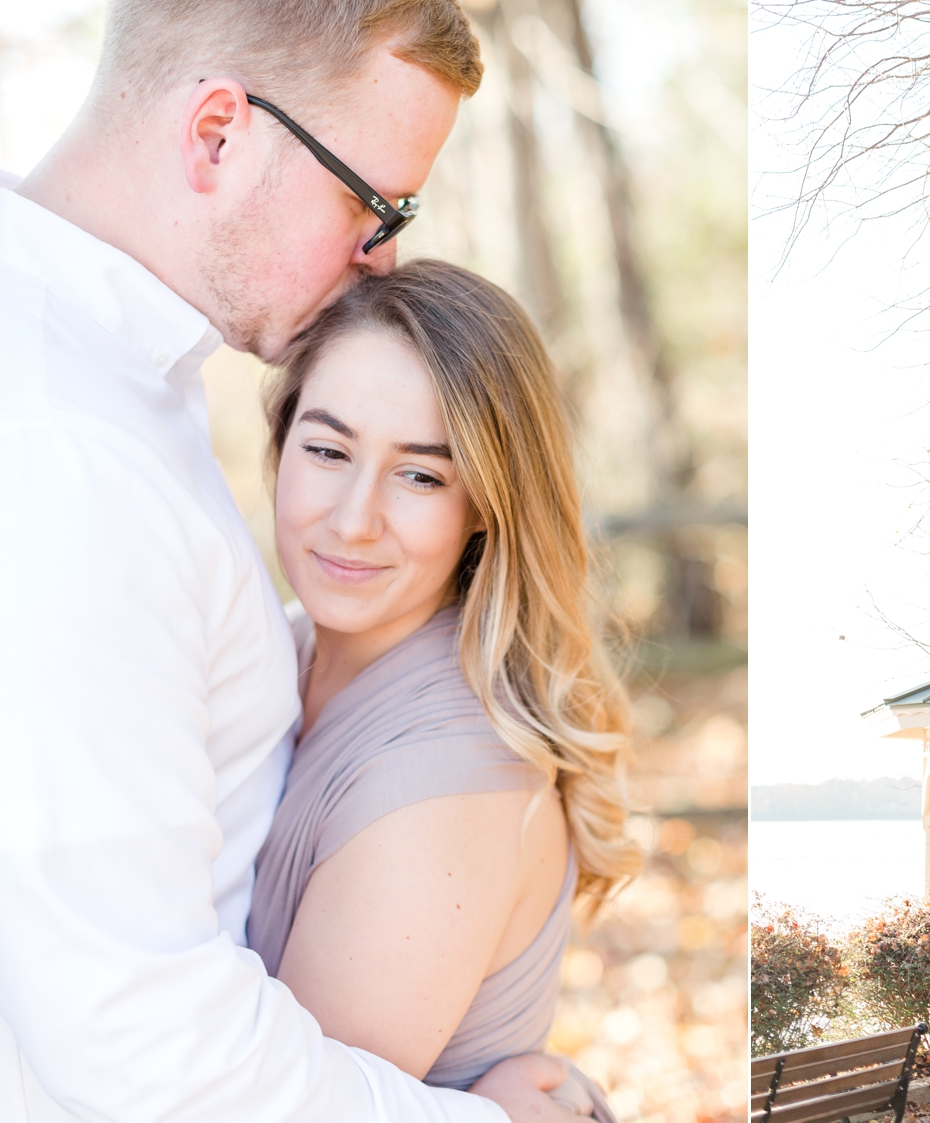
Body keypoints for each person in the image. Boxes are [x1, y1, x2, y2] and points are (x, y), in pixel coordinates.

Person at [0, 1, 582, 1119]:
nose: (386, 254)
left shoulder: (112, 386)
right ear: (219, 130)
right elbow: (142, 1045)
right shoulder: (69, 446)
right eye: (372, 202)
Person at [245, 261, 636, 1113]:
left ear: (486, 504)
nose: (352, 518)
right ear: (280, 446)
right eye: (327, 449)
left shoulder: (445, 779)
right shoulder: (282, 640)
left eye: (421, 475)